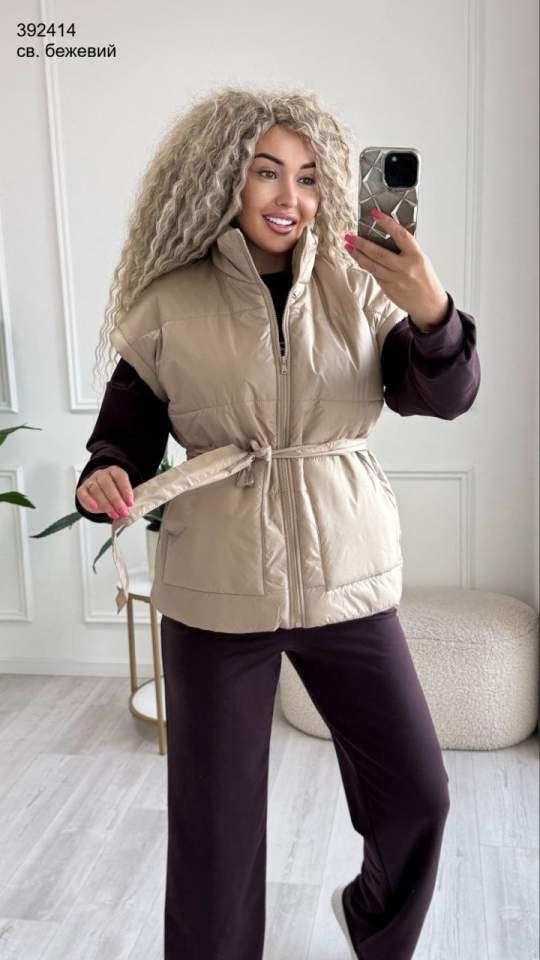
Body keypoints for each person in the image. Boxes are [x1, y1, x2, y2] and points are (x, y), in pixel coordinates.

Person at [76, 86, 480, 960]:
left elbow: (442, 395)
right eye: (266, 172)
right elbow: (123, 435)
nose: (288, 196)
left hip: (348, 575)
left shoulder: (360, 283)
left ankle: (373, 923)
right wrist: (105, 473)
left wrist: (431, 308)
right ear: (225, 177)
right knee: (215, 843)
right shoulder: (168, 302)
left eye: (306, 176)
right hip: (215, 590)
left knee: (418, 795)